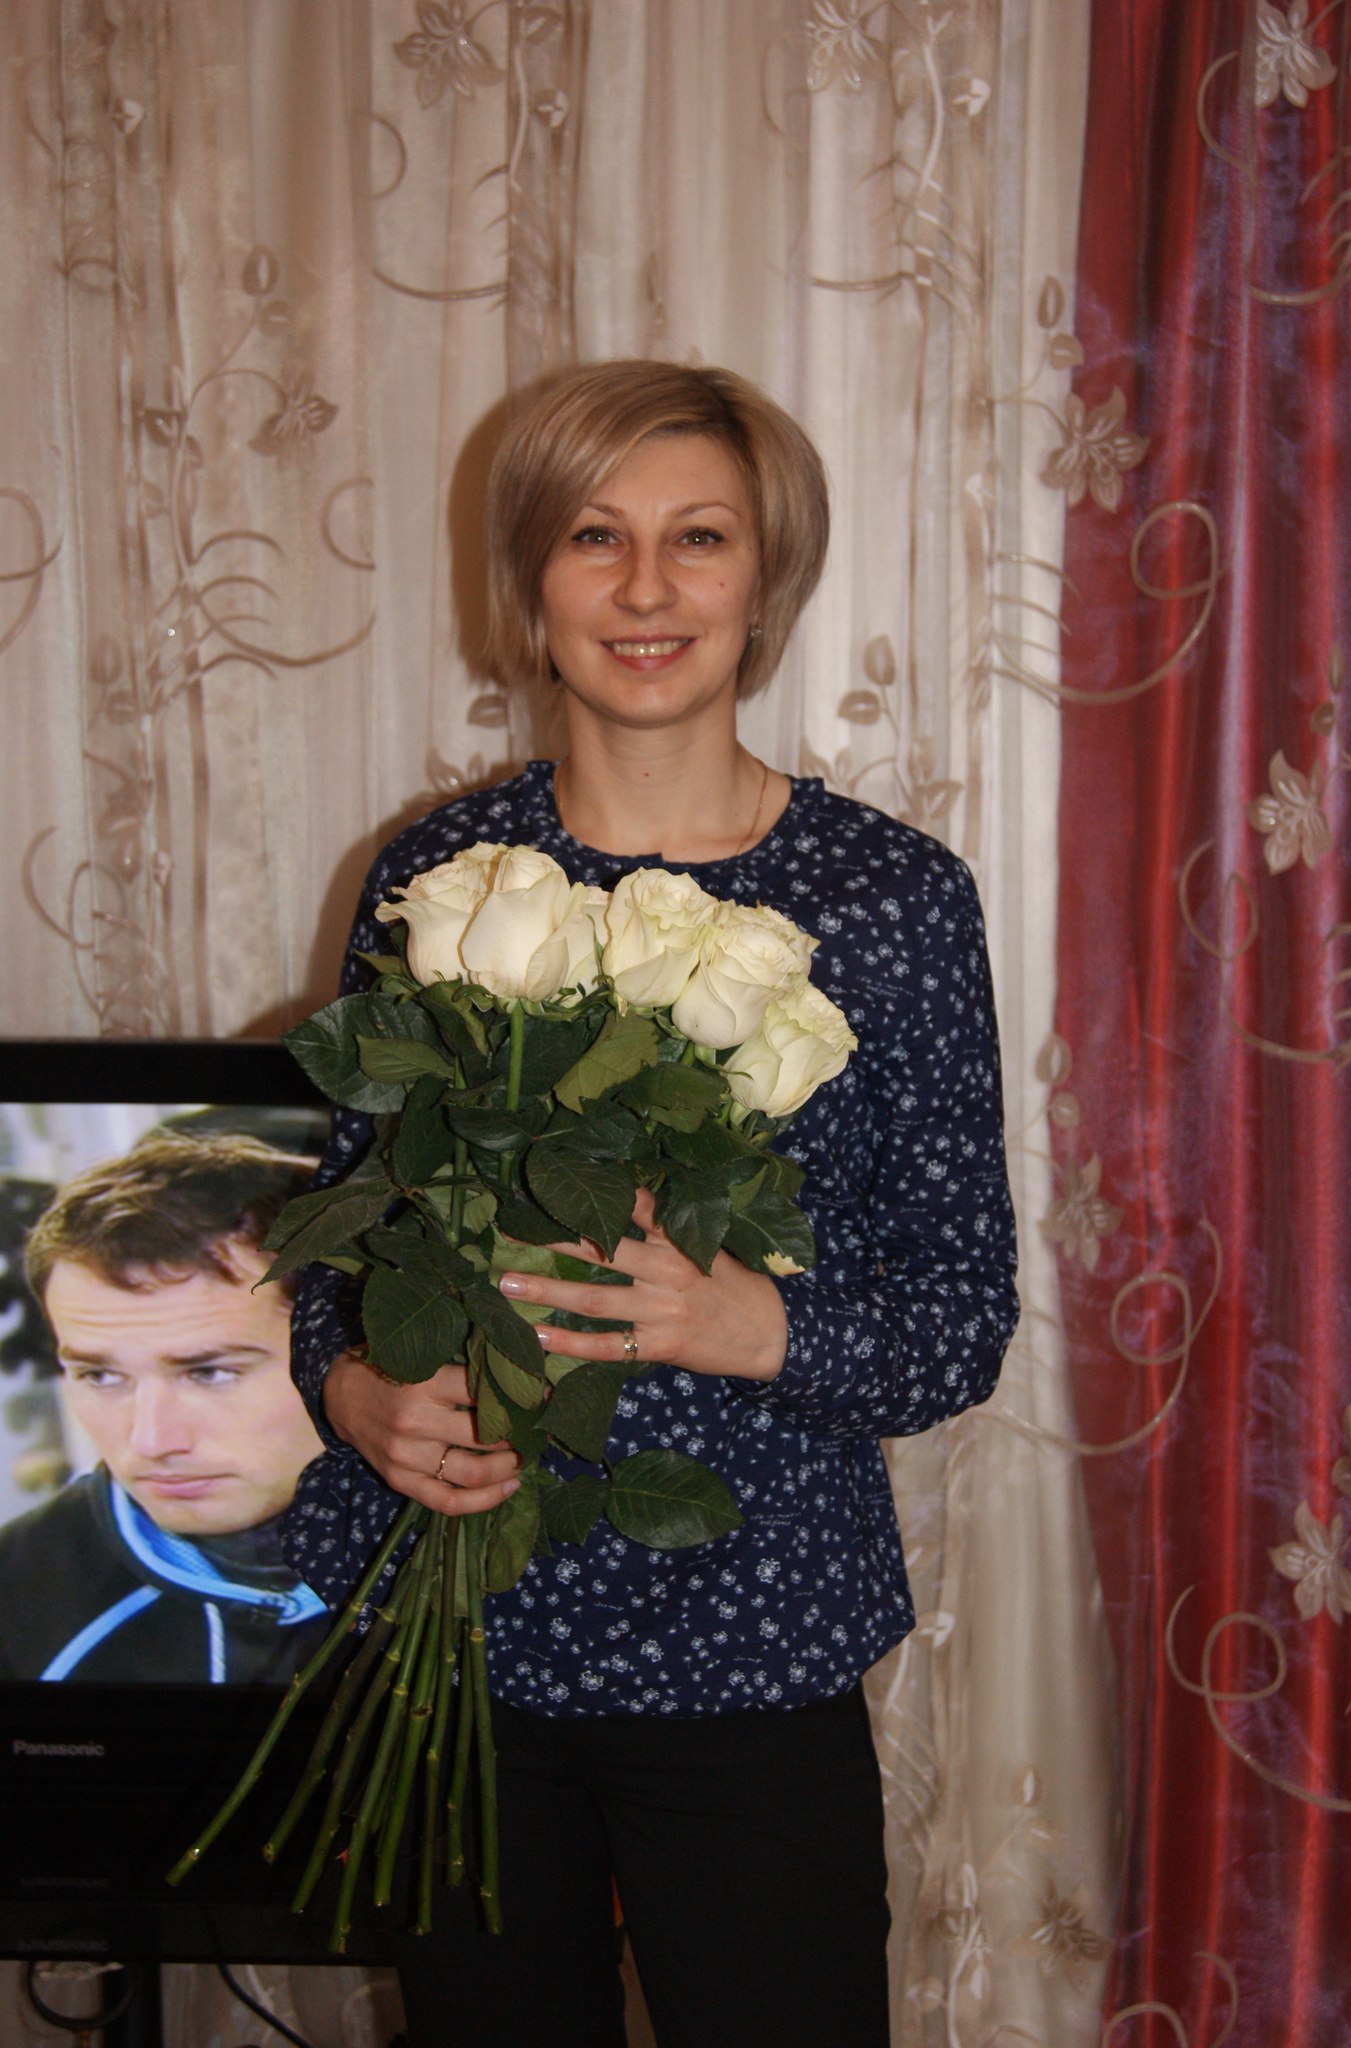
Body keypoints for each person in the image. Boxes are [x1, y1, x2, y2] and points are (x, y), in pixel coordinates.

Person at [284, 360, 1019, 2048]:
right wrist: (358, 1391)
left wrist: (749, 1325)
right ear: (528, 580)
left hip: (749, 1645)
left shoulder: (888, 899)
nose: (642, 589)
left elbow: (956, 1317)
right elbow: (339, 1239)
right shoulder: (439, 881)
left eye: (698, 537)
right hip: (463, 1640)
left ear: (765, 577)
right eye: (591, 536)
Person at [0, 1131, 329, 1683]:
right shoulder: (18, 1605)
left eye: (210, 1372)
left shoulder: (483, 1559)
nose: (151, 1441)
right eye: (101, 1375)